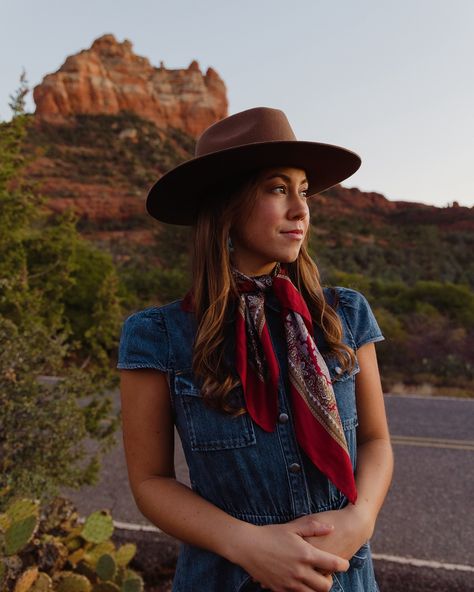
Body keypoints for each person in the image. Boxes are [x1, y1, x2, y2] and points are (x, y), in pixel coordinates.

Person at [118, 107, 393, 592]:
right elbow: (150, 482)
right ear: (228, 205)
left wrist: (361, 520)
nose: (300, 209)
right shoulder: (157, 334)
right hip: (227, 577)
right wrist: (248, 545)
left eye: (303, 190)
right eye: (277, 188)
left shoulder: (344, 315)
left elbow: (375, 441)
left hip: (343, 575)